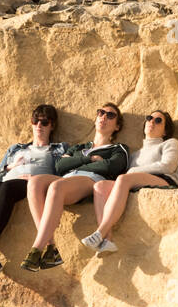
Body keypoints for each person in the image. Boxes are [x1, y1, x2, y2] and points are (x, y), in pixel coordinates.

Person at [20, 104, 129, 271]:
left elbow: (109, 167)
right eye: (100, 113)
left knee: (56, 186)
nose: (104, 117)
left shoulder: (118, 149)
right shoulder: (80, 147)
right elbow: (60, 165)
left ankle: (37, 248)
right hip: (66, 179)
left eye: (110, 115)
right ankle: (51, 247)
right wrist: (90, 159)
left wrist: (78, 160)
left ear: (117, 126)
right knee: (34, 182)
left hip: (89, 181)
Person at [0, 104, 65, 284]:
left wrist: (37, 178)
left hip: (29, 184)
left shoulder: (57, 150)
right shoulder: (16, 149)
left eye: (44, 122)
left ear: (52, 125)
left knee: (7, 188)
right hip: (5, 182)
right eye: (35, 121)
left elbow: (63, 176)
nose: (39, 126)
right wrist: (11, 166)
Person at [82, 109, 178, 253]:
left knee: (124, 178)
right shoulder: (136, 154)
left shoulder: (170, 143)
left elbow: (168, 166)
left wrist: (133, 172)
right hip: (136, 182)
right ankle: (108, 240)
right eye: (149, 118)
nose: (152, 122)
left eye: (158, 120)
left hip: (165, 181)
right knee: (100, 186)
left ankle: (100, 232)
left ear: (165, 131)